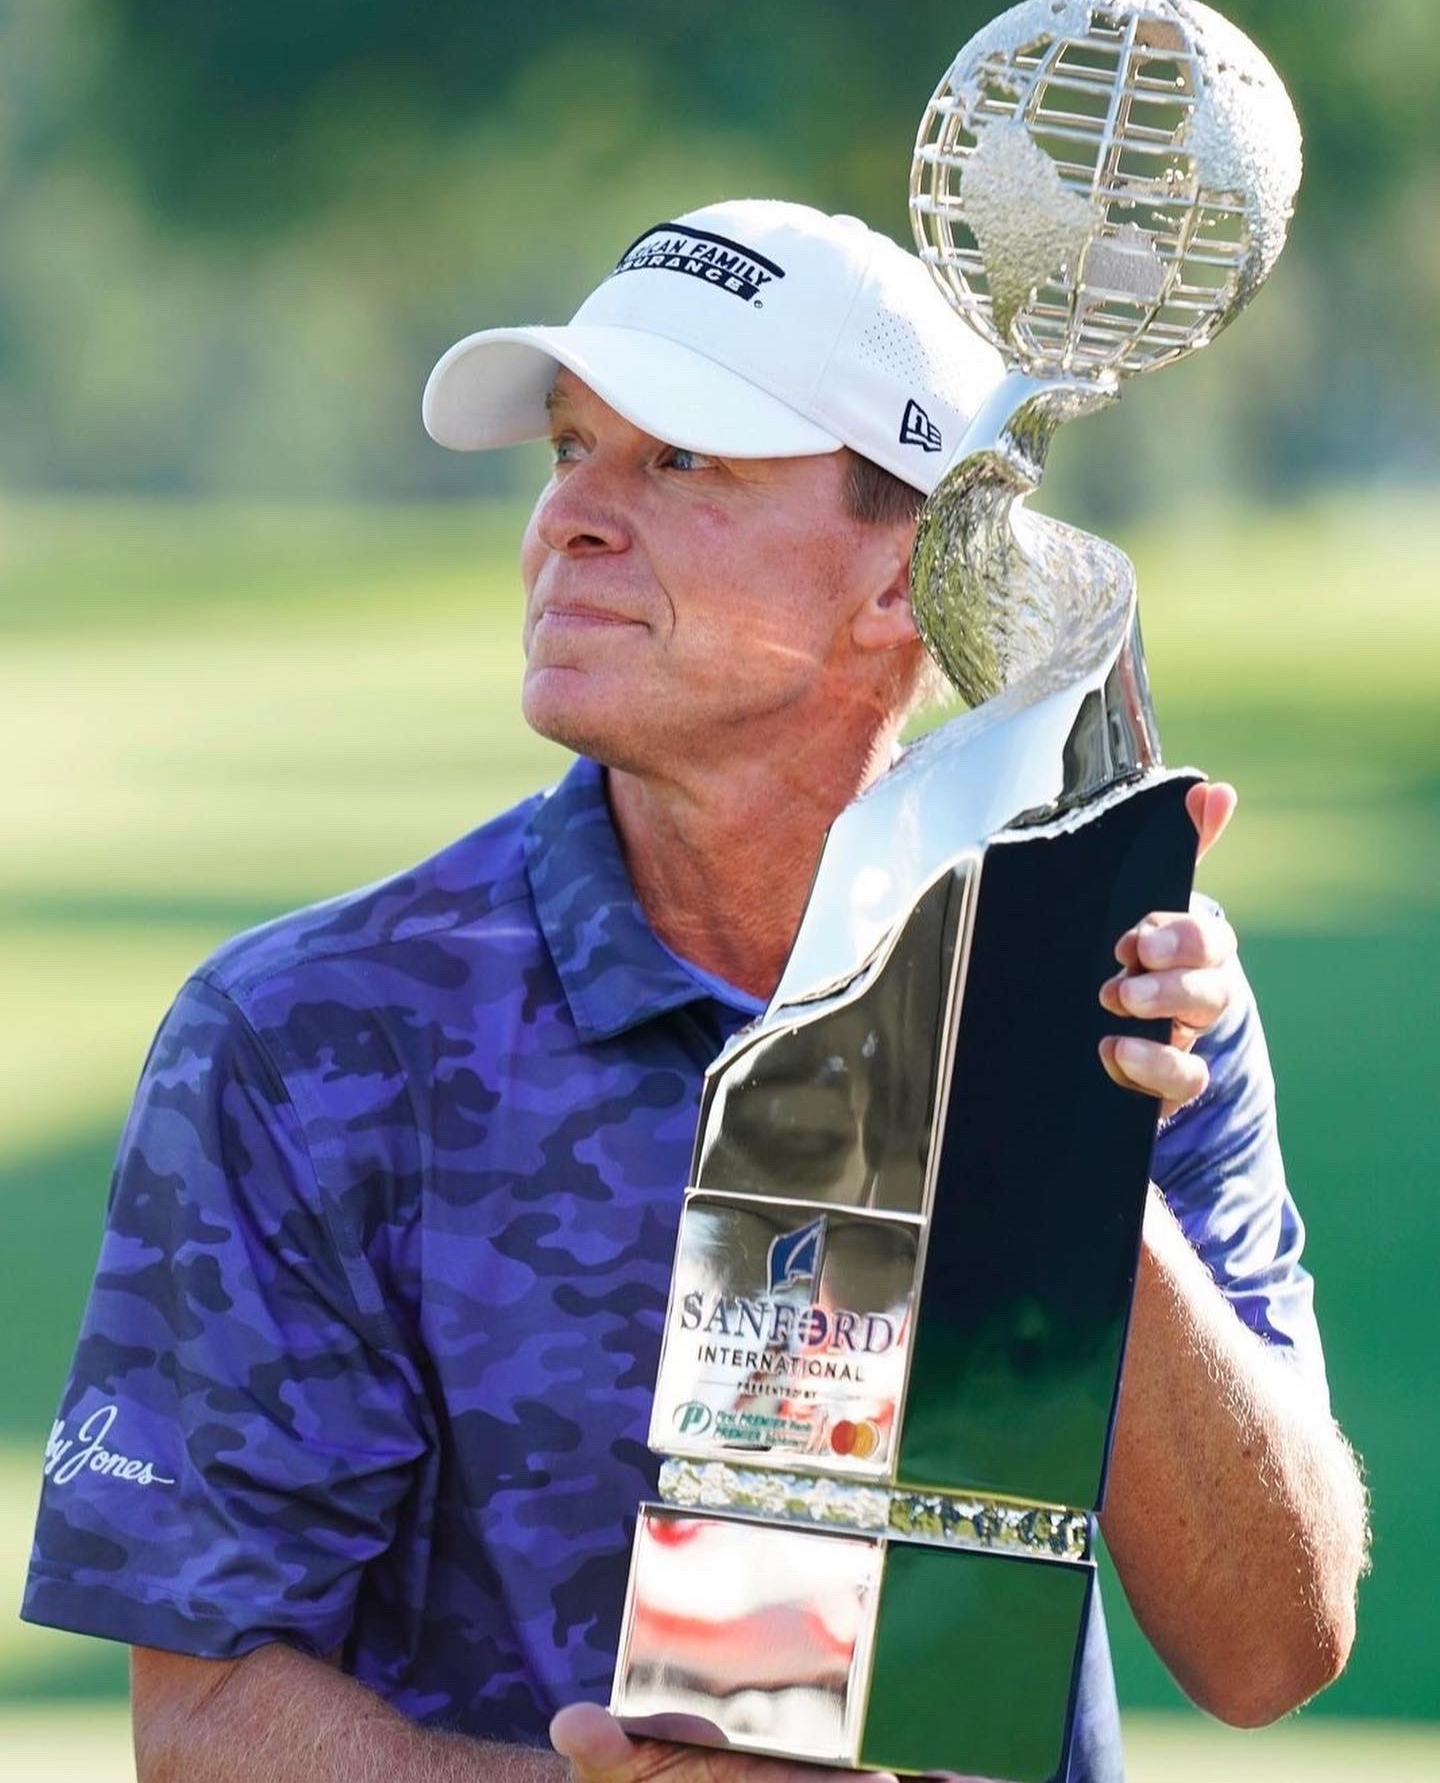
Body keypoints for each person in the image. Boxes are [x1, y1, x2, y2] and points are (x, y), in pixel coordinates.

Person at [23, 201, 1367, 1783]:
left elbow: (1274, 1647)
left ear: (907, 573)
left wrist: (1067, 1144)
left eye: (680, 463)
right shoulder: (304, 1036)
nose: (571, 519)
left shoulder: (1118, 1000)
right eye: (570, 450)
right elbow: (202, 1721)